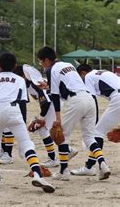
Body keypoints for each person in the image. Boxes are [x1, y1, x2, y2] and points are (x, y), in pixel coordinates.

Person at [37, 46, 110, 181]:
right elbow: (67, 84)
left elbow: (55, 96)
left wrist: (57, 118)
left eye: (41, 62)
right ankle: (103, 164)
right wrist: (47, 86)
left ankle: (63, 171)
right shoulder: (68, 64)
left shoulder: (51, 69)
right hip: (89, 99)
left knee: (62, 136)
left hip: (76, 101)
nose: (42, 65)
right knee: (89, 137)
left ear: (47, 60)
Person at [0, 52, 54, 193]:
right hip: (14, 110)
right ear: (15, 65)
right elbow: (23, 103)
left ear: (0, 65)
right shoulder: (20, 79)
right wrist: (22, 122)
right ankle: (36, 174)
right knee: (27, 144)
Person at [72, 64, 119, 176]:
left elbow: (92, 101)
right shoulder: (103, 72)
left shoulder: (88, 77)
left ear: (83, 73)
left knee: (98, 132)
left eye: (80, 77)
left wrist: (94, 122)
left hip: (118, 98)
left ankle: (89, 167)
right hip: (117, 97)